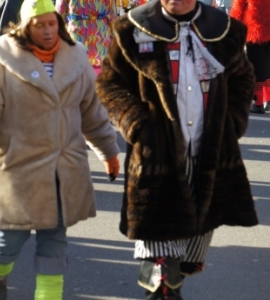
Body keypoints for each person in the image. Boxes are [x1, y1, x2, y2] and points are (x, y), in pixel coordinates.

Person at [95, 0, 258, 299]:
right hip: (156, 160)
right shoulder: (132, 29)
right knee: (162, 275)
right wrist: (136, 124)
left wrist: (232, 122)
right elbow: (109, 84)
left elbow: (244, 78)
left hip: (208, 157)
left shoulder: (223, 30)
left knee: (187, 257)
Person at [0, 0, 120, 299]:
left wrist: (109, 151)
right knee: (7, 243)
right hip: (17, 168)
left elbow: (92, 112)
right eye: (41, 25)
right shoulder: (0, 57)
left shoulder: (76, 57)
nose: (48, 31)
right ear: (25, 27)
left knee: (54, 243)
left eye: (52, 23)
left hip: (64, 170)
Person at [230, 0, 270, 114]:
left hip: (254, 30)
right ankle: (268, 100)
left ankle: (258, 103)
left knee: (256, 67)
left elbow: (238, 10)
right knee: (267, 66)